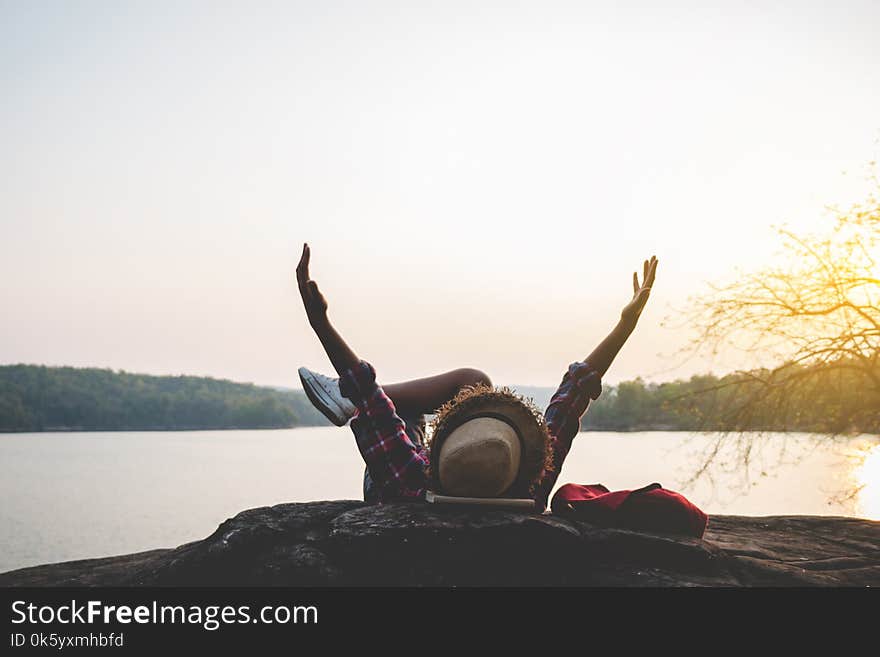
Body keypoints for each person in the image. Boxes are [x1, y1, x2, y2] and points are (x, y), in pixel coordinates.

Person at [295, 243, 658, 511]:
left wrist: (321, 325)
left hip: (394, 485)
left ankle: (344, 402)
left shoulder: (409, 479)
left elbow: (371, 400)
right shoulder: (526, 489)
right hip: (441, 478)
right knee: (466, 384)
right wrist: (625, 327)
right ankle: (346, 402)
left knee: (409, 413)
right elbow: (571, 399)